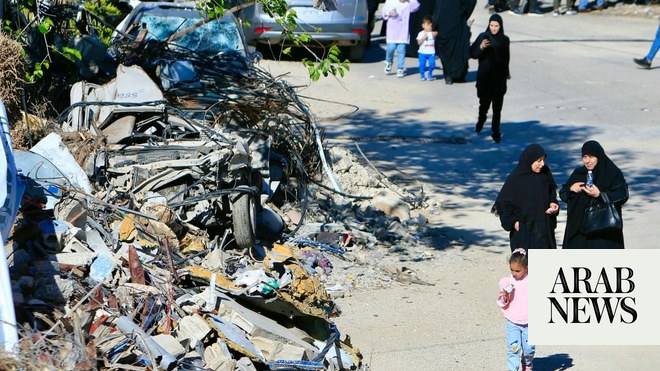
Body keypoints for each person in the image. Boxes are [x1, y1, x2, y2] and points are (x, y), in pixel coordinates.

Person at [559, 140, 629, 249]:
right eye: (584, 157)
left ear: (598, 156)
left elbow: (622, 195)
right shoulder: (579, 173)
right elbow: (563, 194)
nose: (587, 161)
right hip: (579, 233)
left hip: (603, 233)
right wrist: (571, 189)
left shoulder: (612, 173)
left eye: (591, 157)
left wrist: (600, 195)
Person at [492, 144, 559, 250]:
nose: (542, 164)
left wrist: (553, 203)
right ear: (530, 160)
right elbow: (503, 205)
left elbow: (551, 193)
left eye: (543, 160)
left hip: (544, 229)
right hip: (524, 234)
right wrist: (514, 223)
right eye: (539, 160)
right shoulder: (516, 178)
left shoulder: (545, 174)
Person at [469, 13, 510, 143]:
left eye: (496, 25)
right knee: (484, 105)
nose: (493, 28)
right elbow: (472, 54)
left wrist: (507, 72)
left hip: (499, 78)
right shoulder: (483, 36)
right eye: (491, 25)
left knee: (497, 109)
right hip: (485, 78)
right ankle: (481, 122)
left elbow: (506, 57)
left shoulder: (505, 39)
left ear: (500, 26)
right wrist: (481, 47)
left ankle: (495, 132)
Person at [497, 248, 535, 371]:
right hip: (512, 321)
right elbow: (503, 302)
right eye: (512, 270)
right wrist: (505, 297)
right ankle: (513, 368)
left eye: (518, 270)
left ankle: (527, 365)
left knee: (529, 348)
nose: (514, 273)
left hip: (530, 321)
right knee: (513, 348)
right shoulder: (507, 282)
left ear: (527, 268)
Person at [433, 0, 476, 85]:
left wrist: (464, 13)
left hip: (458, 18)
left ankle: (460, 74)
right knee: (445, 47)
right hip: (443, 19)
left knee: (459, 46)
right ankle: (448, 74)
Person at [382, 0, 421, 78]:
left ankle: (400, 68)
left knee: (401, 50)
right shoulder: (391, 1)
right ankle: (389, 62)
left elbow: (417, 6)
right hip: (392, 32)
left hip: (403, 33)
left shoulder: (408, 4)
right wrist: (389, 13)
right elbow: (384, 11)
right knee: (391, 48)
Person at [416, 15, 438, 81]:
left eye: (431, 25)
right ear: (423, 26)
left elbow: (436, 33)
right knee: (422, 65)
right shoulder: (420, 33)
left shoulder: (432, 33)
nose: (429, 27)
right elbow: (419, 43)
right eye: (427, 25)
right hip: (422, 53)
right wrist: (423, 38)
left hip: (431, 52)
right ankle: (422, 75)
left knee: (432, 64)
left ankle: (430, 73)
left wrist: (432, 33)